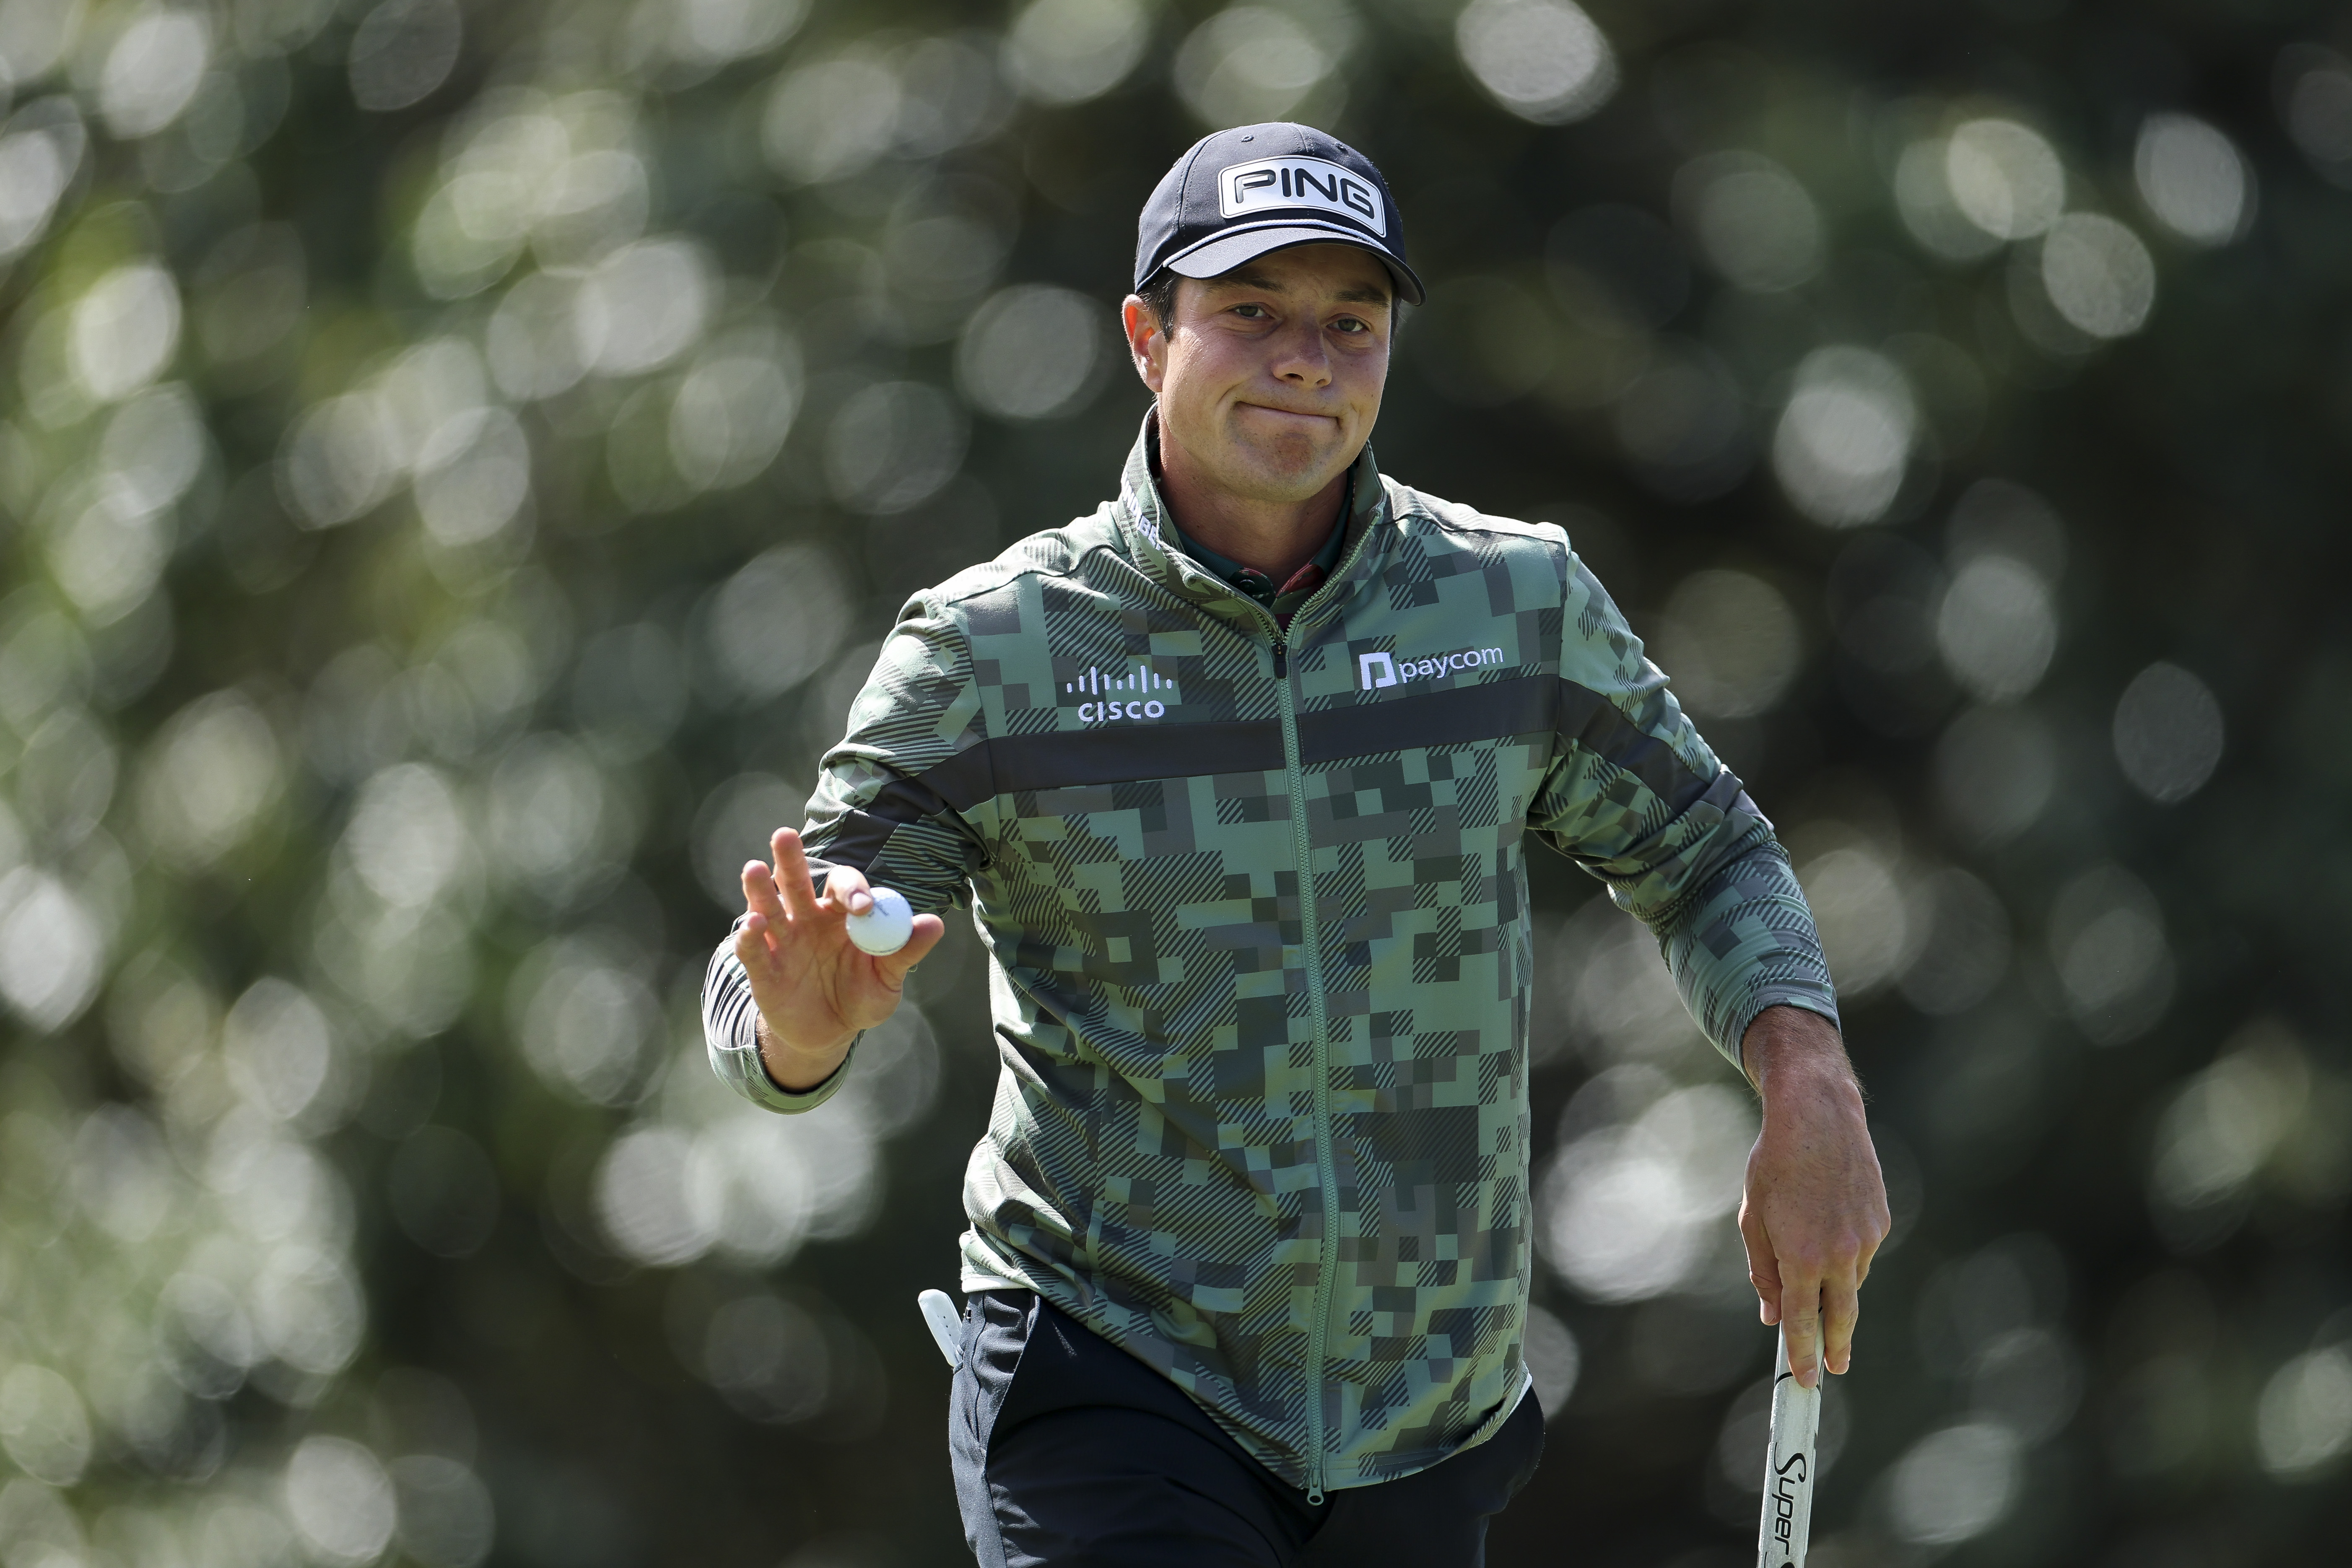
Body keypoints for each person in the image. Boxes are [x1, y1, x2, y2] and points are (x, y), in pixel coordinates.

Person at [701, 123, 1889, 1568]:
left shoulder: (1512, 607)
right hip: (1111, 1373)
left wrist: (1807, 1074)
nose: (1305, 361)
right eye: (1251, 311)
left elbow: (1707, 854)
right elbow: (772, 972)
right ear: (1147, 338)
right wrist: (800, 1026)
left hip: (1424, 1421)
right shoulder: (992, 650)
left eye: (1349, 323)